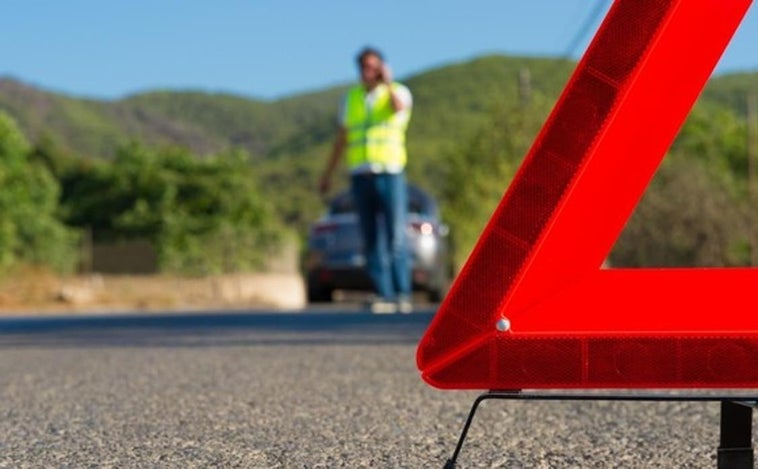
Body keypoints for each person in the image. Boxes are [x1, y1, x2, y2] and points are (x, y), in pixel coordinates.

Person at [319, 46, 413, 313]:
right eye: (364, 67)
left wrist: (389, 83)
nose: (367, 72)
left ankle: (402, 294)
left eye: (373, 67)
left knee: (395, 235)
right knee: (371, 238)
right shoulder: (352, 99)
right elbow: (342, 139)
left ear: (382, 67)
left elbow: (398, 109)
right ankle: (383, 294)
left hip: (390, 171)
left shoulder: (398, 92)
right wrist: (327, 174)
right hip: (360, 174)